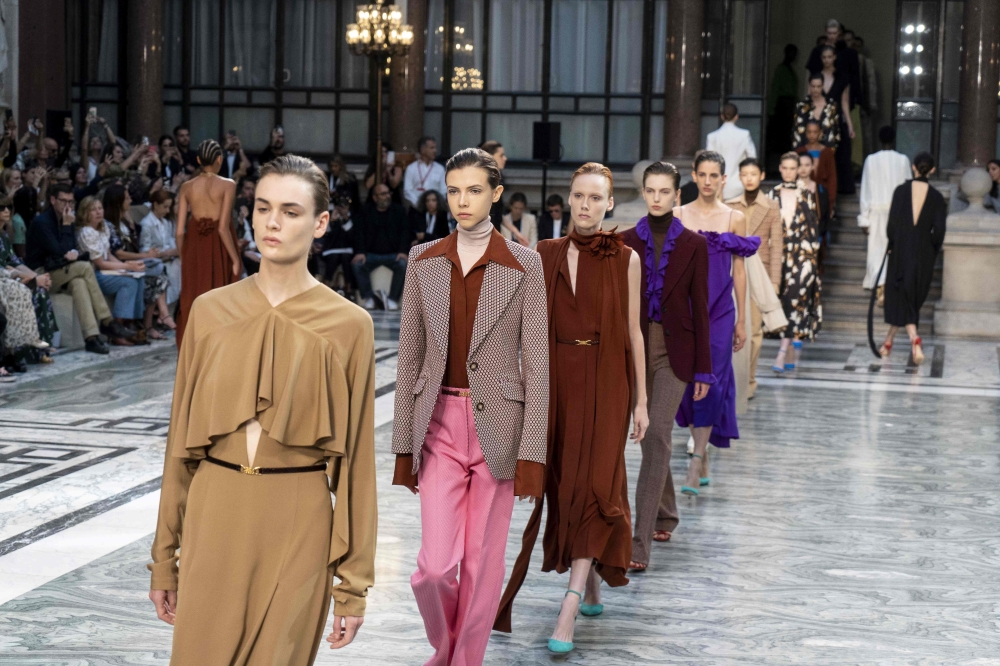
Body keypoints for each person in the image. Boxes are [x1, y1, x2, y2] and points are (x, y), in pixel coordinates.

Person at [148, 154, 377, 664]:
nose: (272, 222)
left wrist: (353, 584)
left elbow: (358, 464)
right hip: (215, 510)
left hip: (299, 520)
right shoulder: (208, 312)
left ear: (321, 223)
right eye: (263, 208)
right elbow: (179, 448)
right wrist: (164, 560)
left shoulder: (348, 325)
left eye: (291, 212)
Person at [392, 147, 547, 666]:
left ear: (496, 194)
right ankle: (446, 647)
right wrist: (401, 448)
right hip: (437, 424)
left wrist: (533, 455)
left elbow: (539, 366)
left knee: (483, 563)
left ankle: (464, 661)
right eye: (454, 190)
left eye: (474, 190)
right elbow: (409, 358)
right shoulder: (424, 260)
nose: (462, 200)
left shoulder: (524, 265)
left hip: (500, 429)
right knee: (434, 569)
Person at [495, 163, 646, 654]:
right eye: (578, 196)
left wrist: (642, 399)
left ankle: (571, 601)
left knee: (598, 483)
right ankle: (592, 576)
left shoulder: (626, 259)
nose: (584, 205)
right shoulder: (544, 254)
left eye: (594, 197)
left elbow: (634, 333)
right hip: (556, 380)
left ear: (609, 205)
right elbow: (521, 323)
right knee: (565, 485)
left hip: (608, 381)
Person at [619, 162, 710, 569]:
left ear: (677, 195)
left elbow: (701, 309)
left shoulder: (694, 245)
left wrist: (704, 370)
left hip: (676, 353)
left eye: (664, 191)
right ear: (644, 192)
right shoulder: (622, 243)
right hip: (634, 349)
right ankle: (667, 512)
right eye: (650, 190)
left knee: (656, 433)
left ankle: (639, 544)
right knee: (654, 437)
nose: (656, 198)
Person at [673, 151, 756, 495]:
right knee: (687, 380)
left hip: (721, 311)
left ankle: (697, 458)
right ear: (694, 176)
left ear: (724, 179)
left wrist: (742, 321)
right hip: (685, 311)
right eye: (702, 174)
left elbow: (740, 268)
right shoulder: (678, 215)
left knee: (713, 379)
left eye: (714, 175)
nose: (707, 181)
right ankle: (700, 447)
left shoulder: (735, 218)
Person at [24, 184, 134, 353]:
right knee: (84, 267)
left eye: (71, 201)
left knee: (79, 283)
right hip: (39, 274)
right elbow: (61, 252)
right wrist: (68, 227)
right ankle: (107, 321)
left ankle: (91, 338)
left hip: (60, 271)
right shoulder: (42, 222)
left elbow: (72, 251)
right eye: (63, 201)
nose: (67, 205)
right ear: (53, 200)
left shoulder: (65, 219)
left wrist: (70, 244)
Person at [879, 152, 945, 365]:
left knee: (901, 295)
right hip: (924, 252)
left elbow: (892, 225)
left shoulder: (900, 191)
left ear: (913, 167)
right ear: (933, 170)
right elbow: (940, 230)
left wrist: (892, 244)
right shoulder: (936, 197)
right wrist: (932, 249)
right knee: (911, 297)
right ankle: (893, 340)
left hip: (901, 249)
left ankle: (911, 339)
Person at [174, 139, 241, 348]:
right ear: (219, 159)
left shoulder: (186, 187)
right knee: (220, 296)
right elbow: (222, 228)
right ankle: (218, 349)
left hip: (193, 246)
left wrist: (183, 256)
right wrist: (235, 258)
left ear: (198, 160)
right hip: (218, 247)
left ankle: (193, 350)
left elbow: (178, 232)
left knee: (193, 297)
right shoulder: (228, 185)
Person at [725, 158, 781, 400]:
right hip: (731, 271)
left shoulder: (771, 207)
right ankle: (732, 378)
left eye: (753, 174)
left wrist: (775, 282)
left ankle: (748, 381)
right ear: (739, 176)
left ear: (762, 176)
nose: (749, 178)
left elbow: (777, 245)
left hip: (760, 274)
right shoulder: (728, 205)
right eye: (744, 174)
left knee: (755, 331)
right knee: (731, 327)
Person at [768, 152, 822, 371]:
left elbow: (813, 227)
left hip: (802, 256)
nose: (789, 172)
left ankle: (782, 351)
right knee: (784, 302)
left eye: (793, 168)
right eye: (786, 168)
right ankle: (789, 349)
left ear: (798, 169)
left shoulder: (807, 194)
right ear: (780, 169)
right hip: (779, 256)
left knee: (793, 299)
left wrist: (812, 260)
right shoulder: (771, 194)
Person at [74, 196, 150, 345]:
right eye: (93, 209)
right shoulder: (86, 232)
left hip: (105, 269)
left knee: (138, 277)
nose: (98, 212)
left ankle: (130, 323)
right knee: (128, 283)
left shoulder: (103, 228)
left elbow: (108, 255)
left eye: (100, 208)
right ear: (85, 213)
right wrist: (127, 267)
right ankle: (117, 331)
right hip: (93, 274)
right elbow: (100, 263)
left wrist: (129, 267)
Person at [103, 184, 172, 340]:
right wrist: (144, 255)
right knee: (157, 276)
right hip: (120, 263)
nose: (130, 200)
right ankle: (153, 321)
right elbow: (118, 253)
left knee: (157, 269)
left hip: (132, 262)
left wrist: (132, 227)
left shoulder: (125, 221)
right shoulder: (109, 224)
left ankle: (152, 322)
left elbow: (132, 244)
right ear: (118, 202)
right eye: (127, 198)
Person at [858, 126, 912, 292]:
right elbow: (908, 188)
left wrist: (864, 218)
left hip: (876, 212)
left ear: (880, 140)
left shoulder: (870, 160)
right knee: (894, 248)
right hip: (897, 212)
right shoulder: (903, 160)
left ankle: (879, 282)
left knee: (876, 248)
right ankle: (890, 281)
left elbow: (865, 190)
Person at [351, 183, 410, 311]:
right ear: (375, 197)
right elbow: (358, 233)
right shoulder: (365, 211)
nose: (387, 196)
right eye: (383, 194)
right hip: (370, 254)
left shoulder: (398, 210)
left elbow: (405, 232)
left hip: (393, 254)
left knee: (402, 264)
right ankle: (369, 298)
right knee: (357, 264)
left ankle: (392, 299)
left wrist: (403, 251)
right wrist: (360, 251)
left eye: (388, 193)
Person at [815, 45, 855, 194]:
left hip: (837, 120)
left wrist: (850, 125)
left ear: (834, 57)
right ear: (821, 58)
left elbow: (845, 102)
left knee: (841, 154)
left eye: (829, 57)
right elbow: (809, 100)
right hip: (819, 119)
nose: (827, 60)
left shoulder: (843, 77)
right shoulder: (815, 76)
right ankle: (822, 188)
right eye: (824, 57)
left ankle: (839, 188)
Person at [139, 190, 182, 311]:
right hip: (155, 261)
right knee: (176, 268)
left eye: (169, 207)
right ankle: (168, 308)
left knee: (181, 264)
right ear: (155, 205)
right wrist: (164, 253)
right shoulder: (147, 224)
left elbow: (168, 243)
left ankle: (174, 305)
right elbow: (145, 250)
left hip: (167, 258)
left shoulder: (166, 223)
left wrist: (172, 252)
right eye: (165, 207)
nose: (168, 211)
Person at [706, 103, 757, 201]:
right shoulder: (744, 135)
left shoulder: (712, 137)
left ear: (722, 116)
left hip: (717, 184)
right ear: (736, 116)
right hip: (739, 184)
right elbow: (752, 158)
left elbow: (709, 161)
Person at [766, 44, 800, 168]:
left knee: (787, 134)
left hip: (789, 104)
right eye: (791, 53)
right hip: (782, 105)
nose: (793, 56)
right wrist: (771, 110)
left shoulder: (790, 69)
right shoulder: (781, 69)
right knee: (780, 135)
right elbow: (775, 89)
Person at [795, 119, 837, 215]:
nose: (812, 135)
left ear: (820, 132)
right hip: (803, 192)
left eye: (815, 132)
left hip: (823, 193)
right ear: (805, 133)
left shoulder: (827, 152)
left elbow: (832, 176)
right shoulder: (799, 152)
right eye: (809, 132)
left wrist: (831, 198)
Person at [793, 74, 841, 151]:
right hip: (805, 151)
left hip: (826, 150)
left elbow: (836, 130)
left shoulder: (831, 106)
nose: (816, 89)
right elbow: (796, 131)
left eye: (818, 86)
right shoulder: (801, 106)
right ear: (809, 86)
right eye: (813, 86)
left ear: (822, 86)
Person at [403, 137, 447, 207]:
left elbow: (444, 190)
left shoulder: (440, 169)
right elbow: (407, 191)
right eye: (432, 148)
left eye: (435, 148)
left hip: (436, 209)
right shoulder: (411, 168)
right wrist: (419, 204)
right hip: (416, 209)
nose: (435, 151)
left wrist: (435, 203)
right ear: (423, 149)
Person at [797, 153, 830, 241]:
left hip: (815, 236)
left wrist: (819, 233)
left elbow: (825, 216)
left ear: (812, 166)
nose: (803, 168)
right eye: (800, 165)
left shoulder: (821, 190)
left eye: (807, 165)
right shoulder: (789, 189)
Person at [480, 140, 507, 231]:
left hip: (494, 231)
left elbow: (498, 214)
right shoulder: (481, 180)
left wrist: (517, 233)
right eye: (501, 155)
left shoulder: (499, 178)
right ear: (490, 157)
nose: (505, 158)